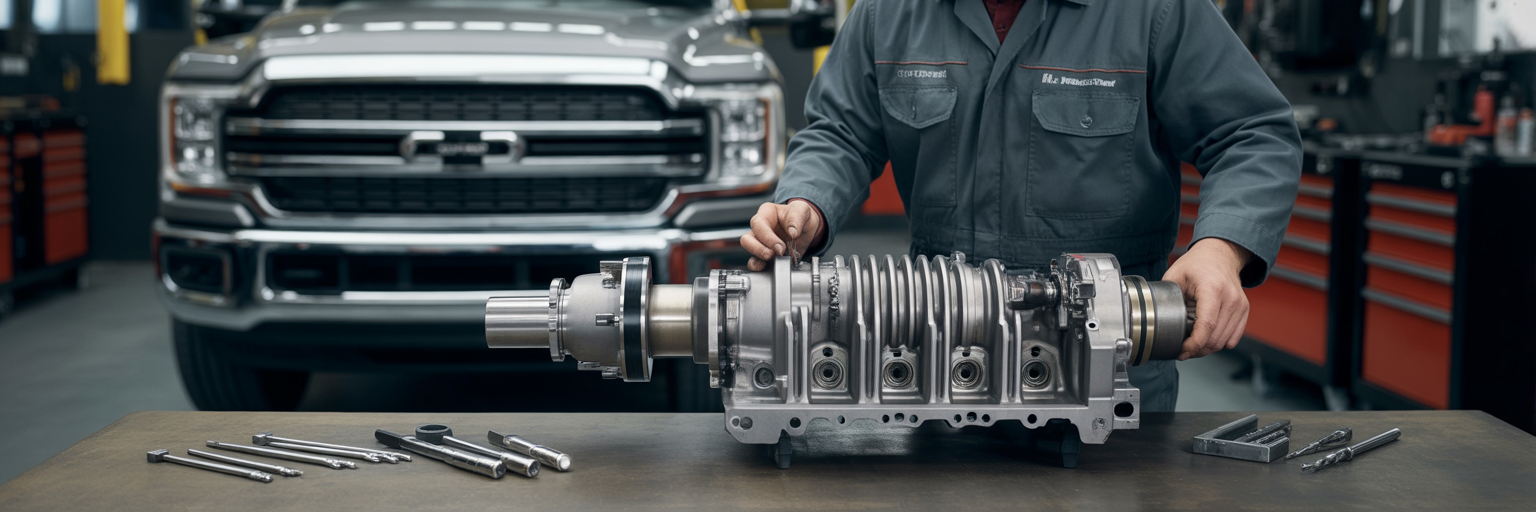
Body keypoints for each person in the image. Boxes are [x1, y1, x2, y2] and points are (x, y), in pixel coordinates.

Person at [739, 0, 1302, 411]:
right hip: (937, 366)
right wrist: (805, 202)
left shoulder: (1153, 11)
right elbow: (840, 131)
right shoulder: (889, 13)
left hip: (1109, 373)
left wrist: (1221, 250)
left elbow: (1252, 133)